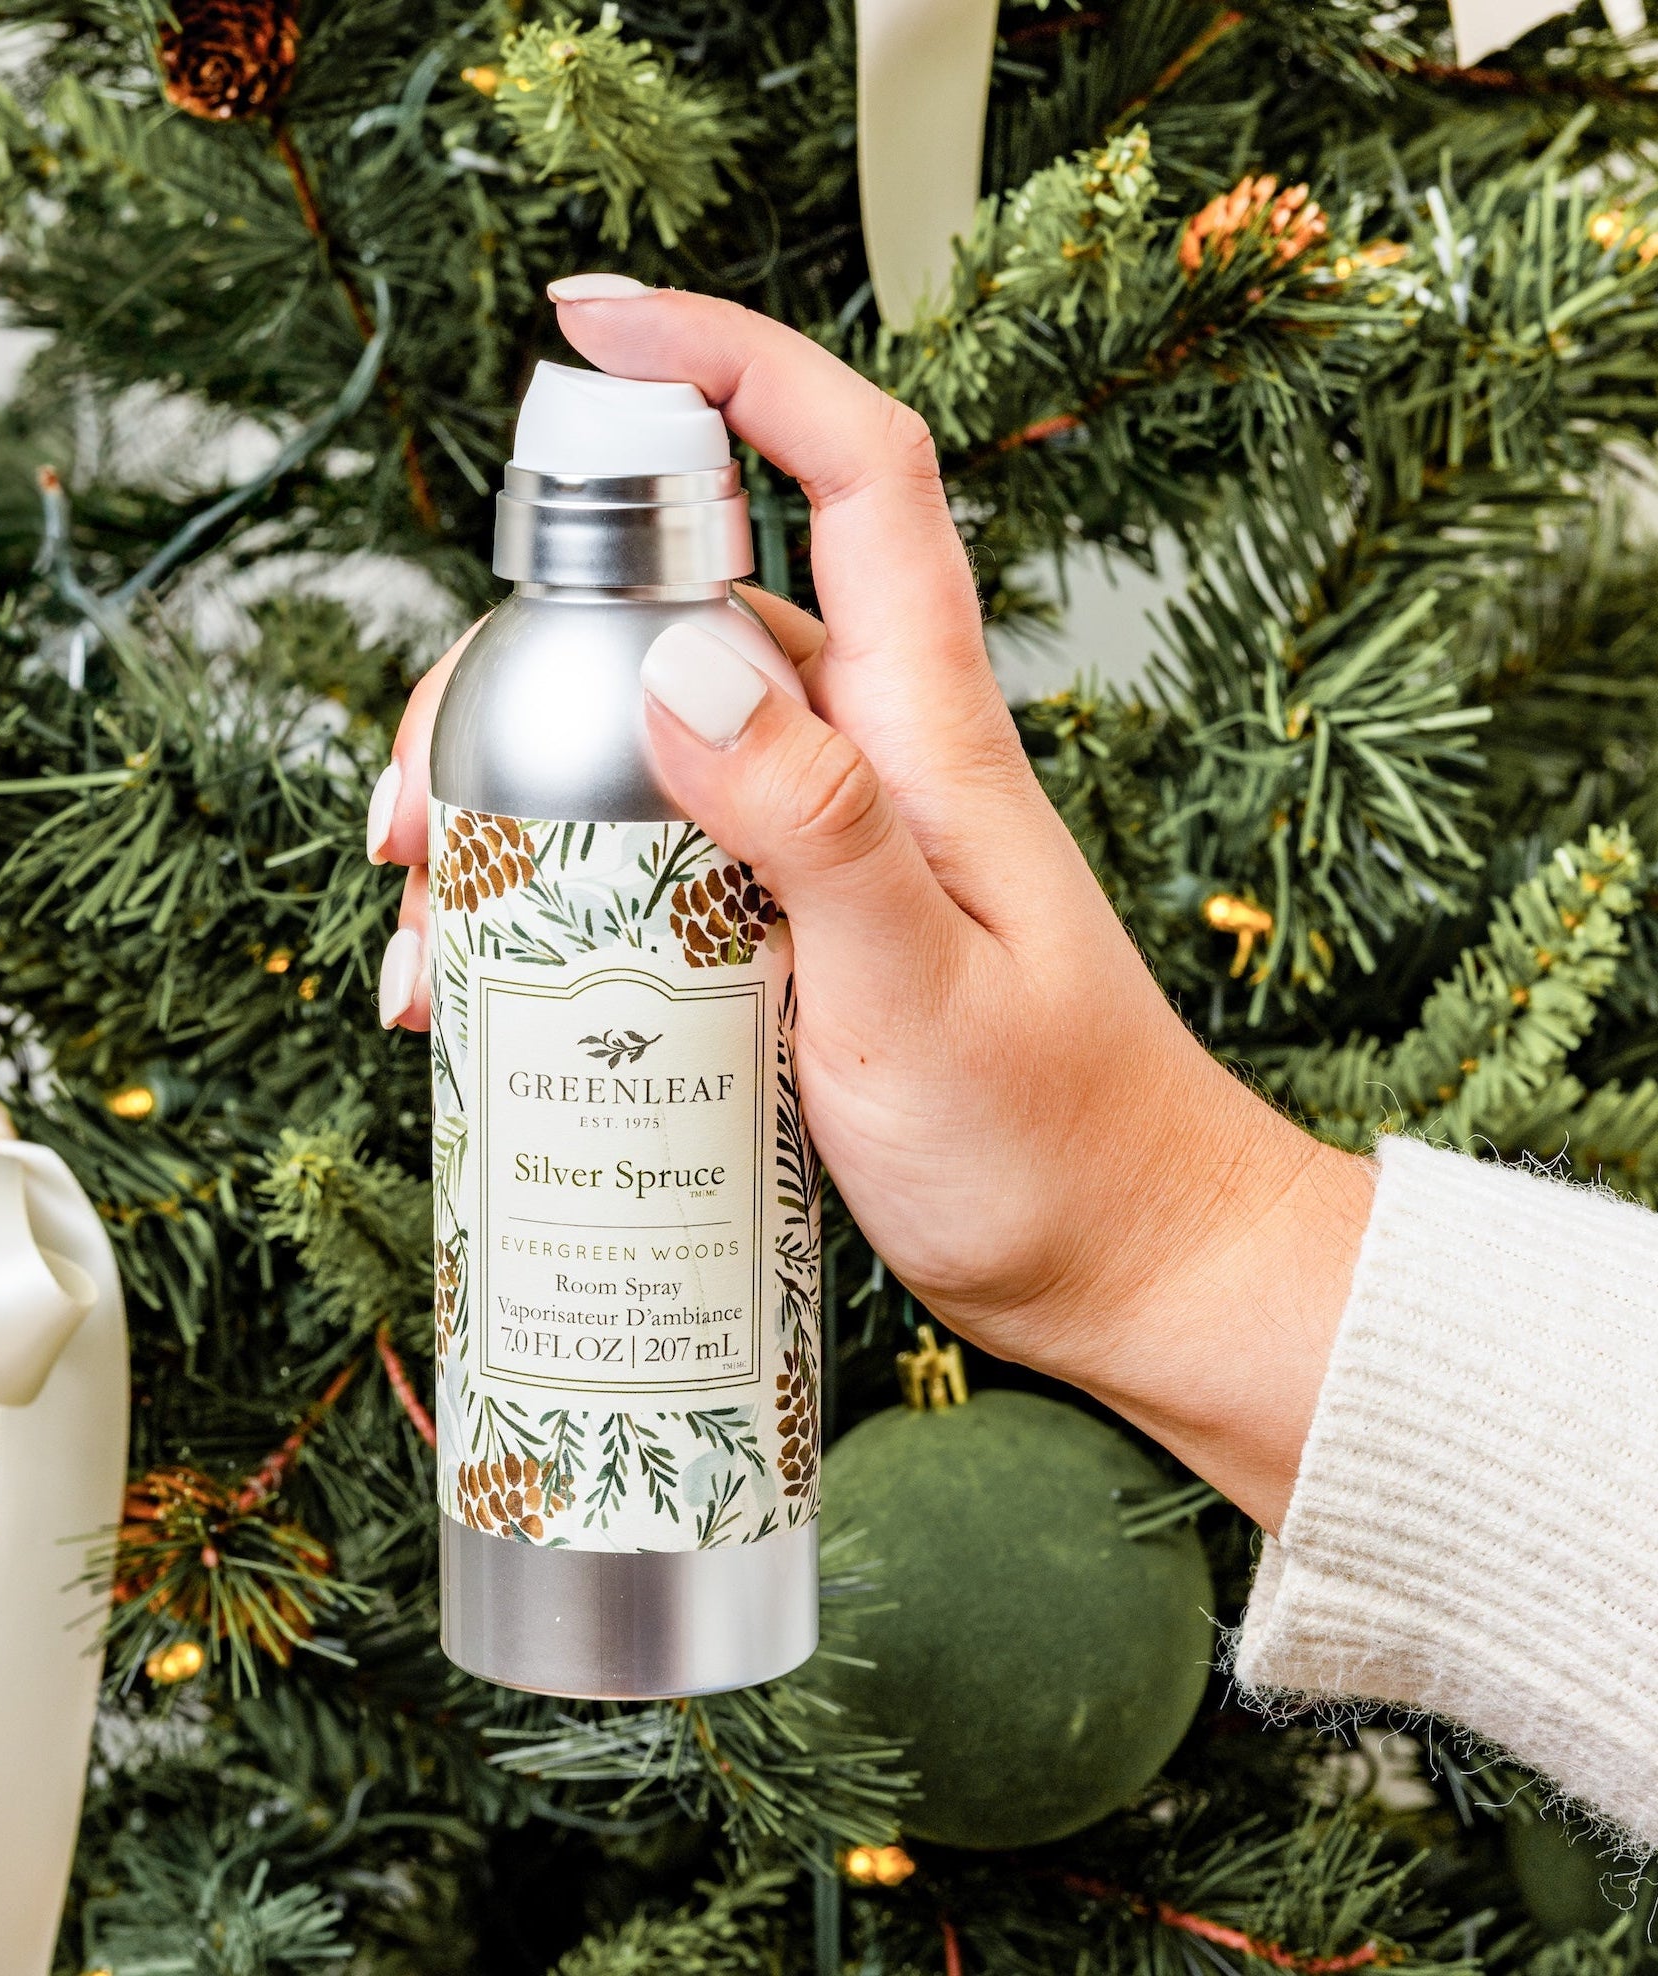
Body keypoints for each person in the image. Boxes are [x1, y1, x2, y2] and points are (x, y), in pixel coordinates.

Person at [366, 277, 1658, 1850]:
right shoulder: (520, 679)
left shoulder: (710, 676)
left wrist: (1144, 1231)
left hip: (729, 1448)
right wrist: (1151, 1247)